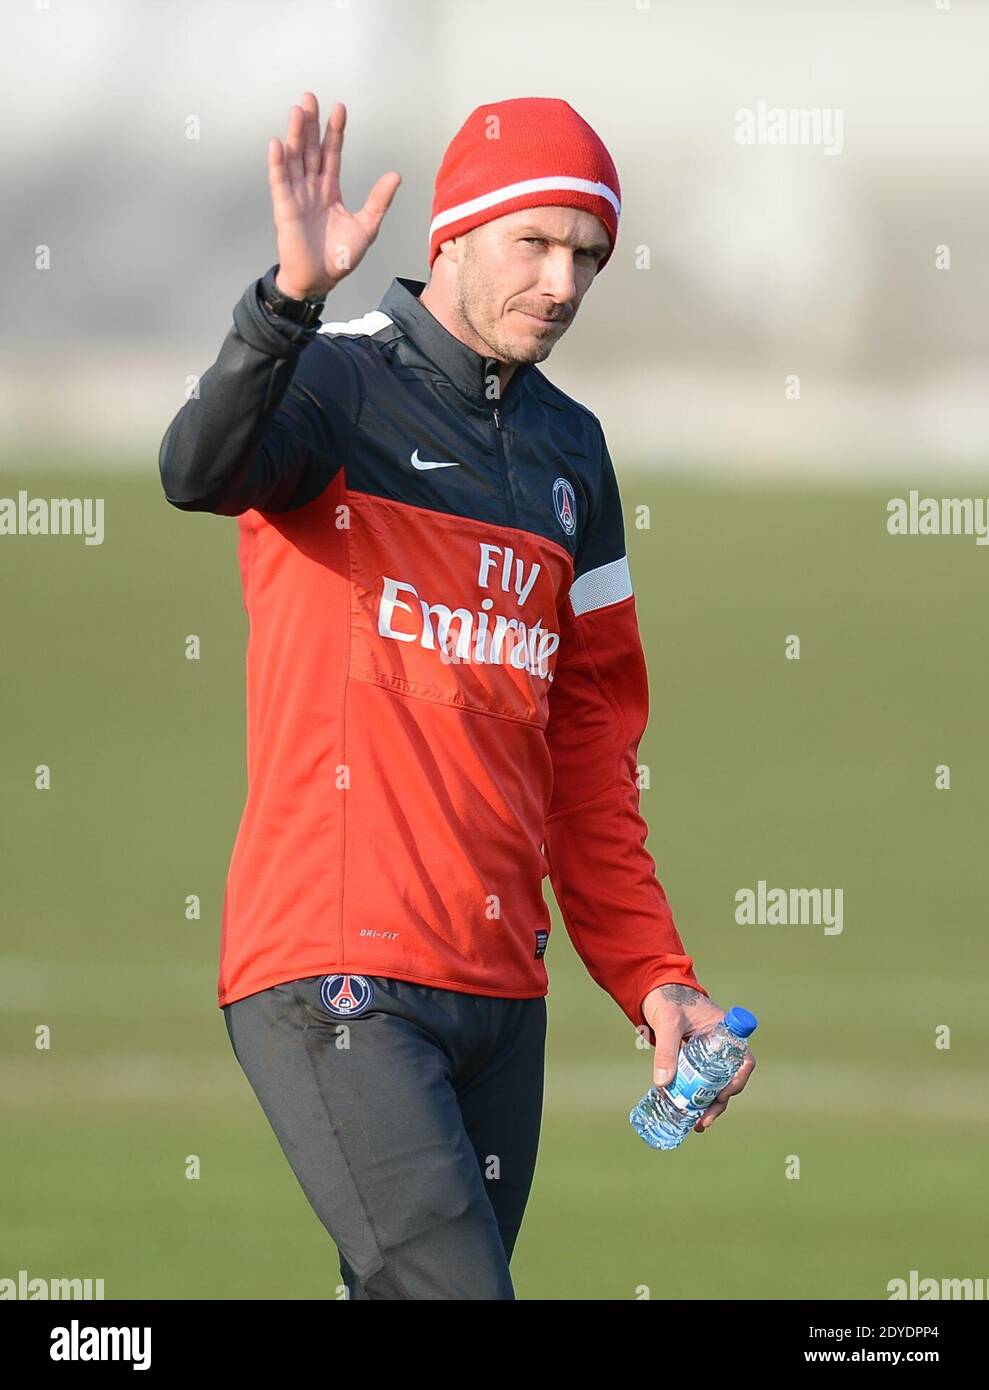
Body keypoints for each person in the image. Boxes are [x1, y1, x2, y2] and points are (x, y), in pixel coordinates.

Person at [157, 92, 755, 1300]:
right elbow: (196, 467)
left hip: (497, 994)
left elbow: (585, 748)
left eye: (586, 253)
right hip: (336, 970)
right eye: (532, 242)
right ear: (454, 233)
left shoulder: (571, 454)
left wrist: (653, 973)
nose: (563, 280)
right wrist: (284, 304)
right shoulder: (332, 388)